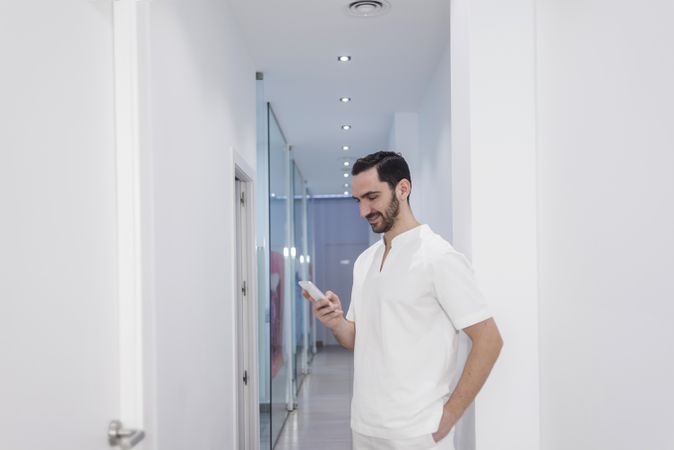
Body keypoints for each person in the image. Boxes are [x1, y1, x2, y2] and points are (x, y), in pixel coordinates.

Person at [302, 151, 503, 450]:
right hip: (365, 425)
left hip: (418, 433)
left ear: (403, 189)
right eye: (358, 200)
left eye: (372, 197)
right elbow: (358, 339)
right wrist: (335, 323)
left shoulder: (438, 257)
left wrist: (449, 416)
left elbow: (489, 340)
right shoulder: (365, 261)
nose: (363, 211)